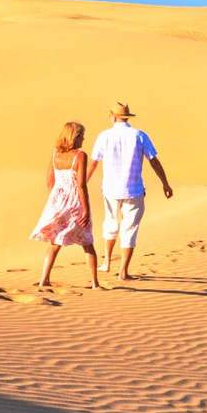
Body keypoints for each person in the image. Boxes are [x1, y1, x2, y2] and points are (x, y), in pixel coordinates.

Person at [87, 102, 173, 281]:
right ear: (126, 117)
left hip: (110, 189)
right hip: (133, 189)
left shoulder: (104, 136)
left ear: (113, 117)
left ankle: (106, 262)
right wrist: (165, 183)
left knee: (110, 223)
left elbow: (93, 163)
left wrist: (82, 183)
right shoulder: (139, 135)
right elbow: (153, 160)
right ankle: (123, 272)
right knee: (130, 229)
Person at [30, 121, 100, 289]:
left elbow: (49, 181)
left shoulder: (55, 154)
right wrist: (86, 209)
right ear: (74, 137)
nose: (84, 139)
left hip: (57, 202)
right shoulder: (80, 155)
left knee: (55, 242)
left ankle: (44, 280)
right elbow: (81, 185)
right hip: (75, 202)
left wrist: (56, 200)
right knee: (87, 242)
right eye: (82, 136)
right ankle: (95, 283)